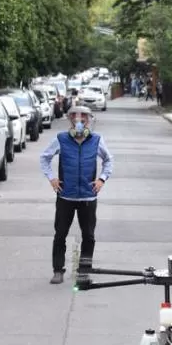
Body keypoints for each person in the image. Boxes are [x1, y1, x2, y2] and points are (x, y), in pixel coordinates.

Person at [40, 105, 114, 285]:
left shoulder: (96, 140)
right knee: (60, 234)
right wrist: (52, 178)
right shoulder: (61, 139)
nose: (79, 121)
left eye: (83, 118)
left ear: (89, 121)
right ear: (70, 120)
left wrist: (101, 179)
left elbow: (108, 160)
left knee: (88, 236)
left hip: (88, 198)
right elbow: (44, 157)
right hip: (65, 196)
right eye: (75, 118)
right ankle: (58, 270)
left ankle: (84, 271)